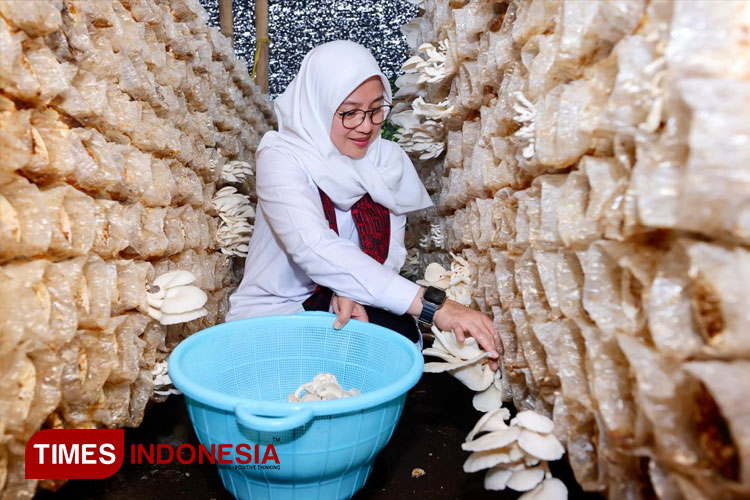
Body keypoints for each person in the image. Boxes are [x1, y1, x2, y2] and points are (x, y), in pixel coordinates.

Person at [226, 40, 500, 369]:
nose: (367, 126)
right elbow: (312, 246)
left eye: (375, 109)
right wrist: (435, 307)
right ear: (319, 105)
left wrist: (351, 291)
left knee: (401, 340)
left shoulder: (388, 160)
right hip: (278, 313)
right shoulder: (282, 155)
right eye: (349, 113)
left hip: (344, 304)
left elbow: (389, 254)